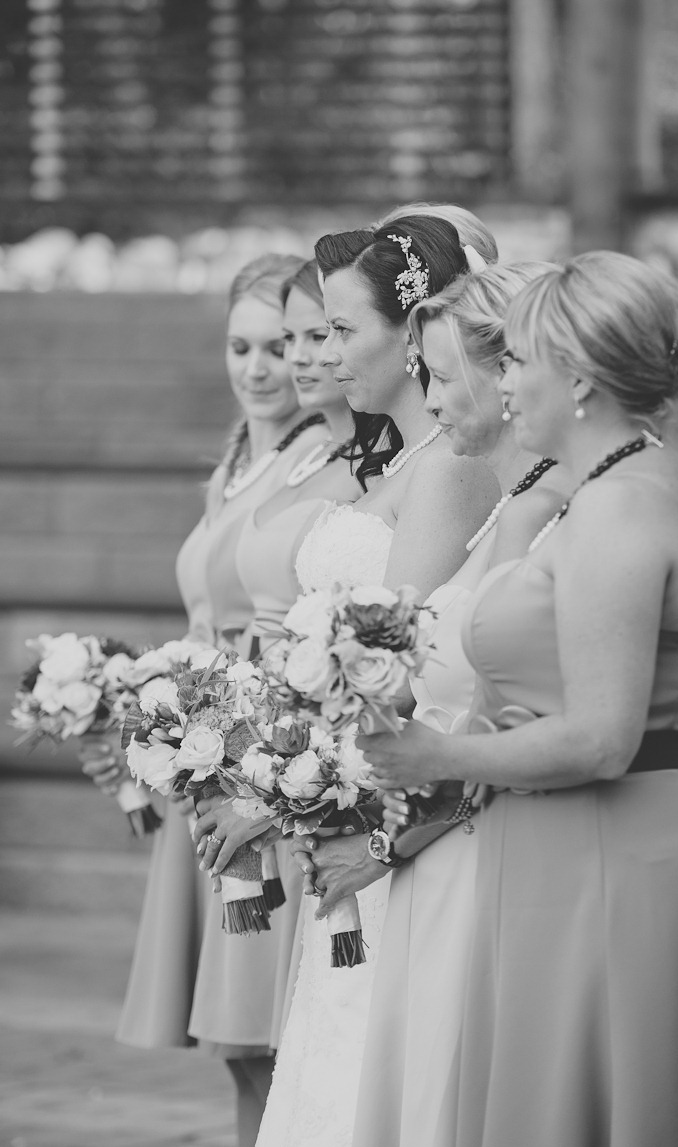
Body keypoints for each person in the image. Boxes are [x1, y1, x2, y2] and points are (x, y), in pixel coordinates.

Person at [359, 251, 678, 1147]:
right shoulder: (610, 486)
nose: (502, 381)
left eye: (516, 361)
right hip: (564, 860)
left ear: (579, 377)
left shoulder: (621, 510)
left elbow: (600, 736)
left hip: (608, 868)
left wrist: (431, 756)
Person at [248, 214, 499, 1147]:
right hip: (367, 796)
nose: (326, 351)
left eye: (343, 330)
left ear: (414, 332)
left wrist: (317, 785)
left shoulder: (449, 470)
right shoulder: (396, 462)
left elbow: (410, 671)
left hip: (407, 807)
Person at [81, 254, 329, 1147]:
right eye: (243, 346)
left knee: (263, 1034)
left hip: (258, 753)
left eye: (287, 344)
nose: (262, 367)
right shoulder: (236, 458)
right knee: (237, 1049)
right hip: (202, 752)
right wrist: (134, 726)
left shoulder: (319, 460)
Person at [346, 261, 571, 1147]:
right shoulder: (502, 514)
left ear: (504, 367)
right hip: (431, 843)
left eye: (441, 374)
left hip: (481, 846)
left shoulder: (557, 510)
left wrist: (417, 790)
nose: (428, 399)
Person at [190, 257, 364, 1053]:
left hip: (296, 758)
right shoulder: (268, 463)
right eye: (257, 344)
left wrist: (272, 775)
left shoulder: (348, 467)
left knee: (278, 1042)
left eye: (312, 335)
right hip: (237, 745)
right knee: (246, 1048)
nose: (287, 361)